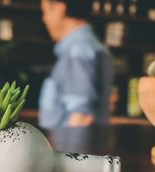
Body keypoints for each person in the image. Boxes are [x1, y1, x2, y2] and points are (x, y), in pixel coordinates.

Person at [39, 0, 114, 129]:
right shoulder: (91, 47)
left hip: (64, 147)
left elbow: (81, 116)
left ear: (59, 8)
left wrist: (61, 149)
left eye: (45, 12)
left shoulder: (77, 51)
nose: (44, 19)